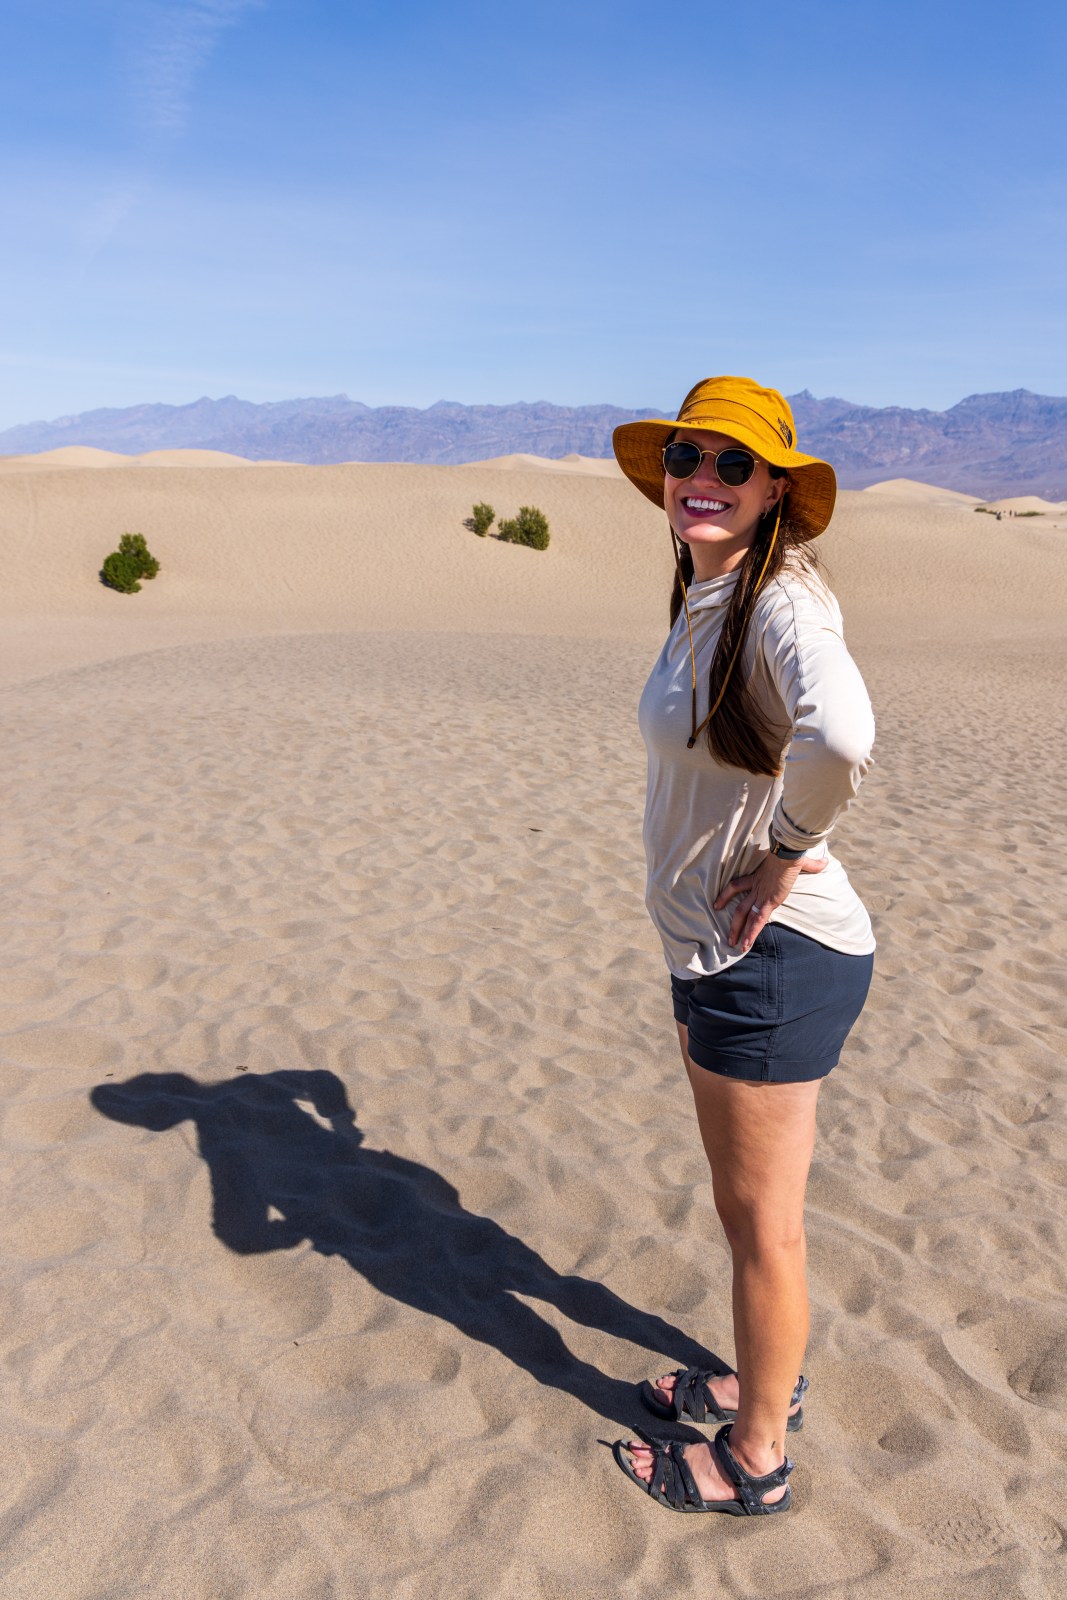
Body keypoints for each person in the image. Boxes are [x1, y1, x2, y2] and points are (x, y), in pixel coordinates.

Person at [609, 376, 876, 1517]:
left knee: (761, 1223)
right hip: (715, 956)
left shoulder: (778, 604)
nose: (700, 479)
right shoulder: (713, 587)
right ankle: (754, 1374)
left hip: (767, 960)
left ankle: (754, 1453)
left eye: (732, 464)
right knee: (742, 1212)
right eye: (686, 455)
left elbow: (843, 734)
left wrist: (785, 846)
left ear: (774, 490)